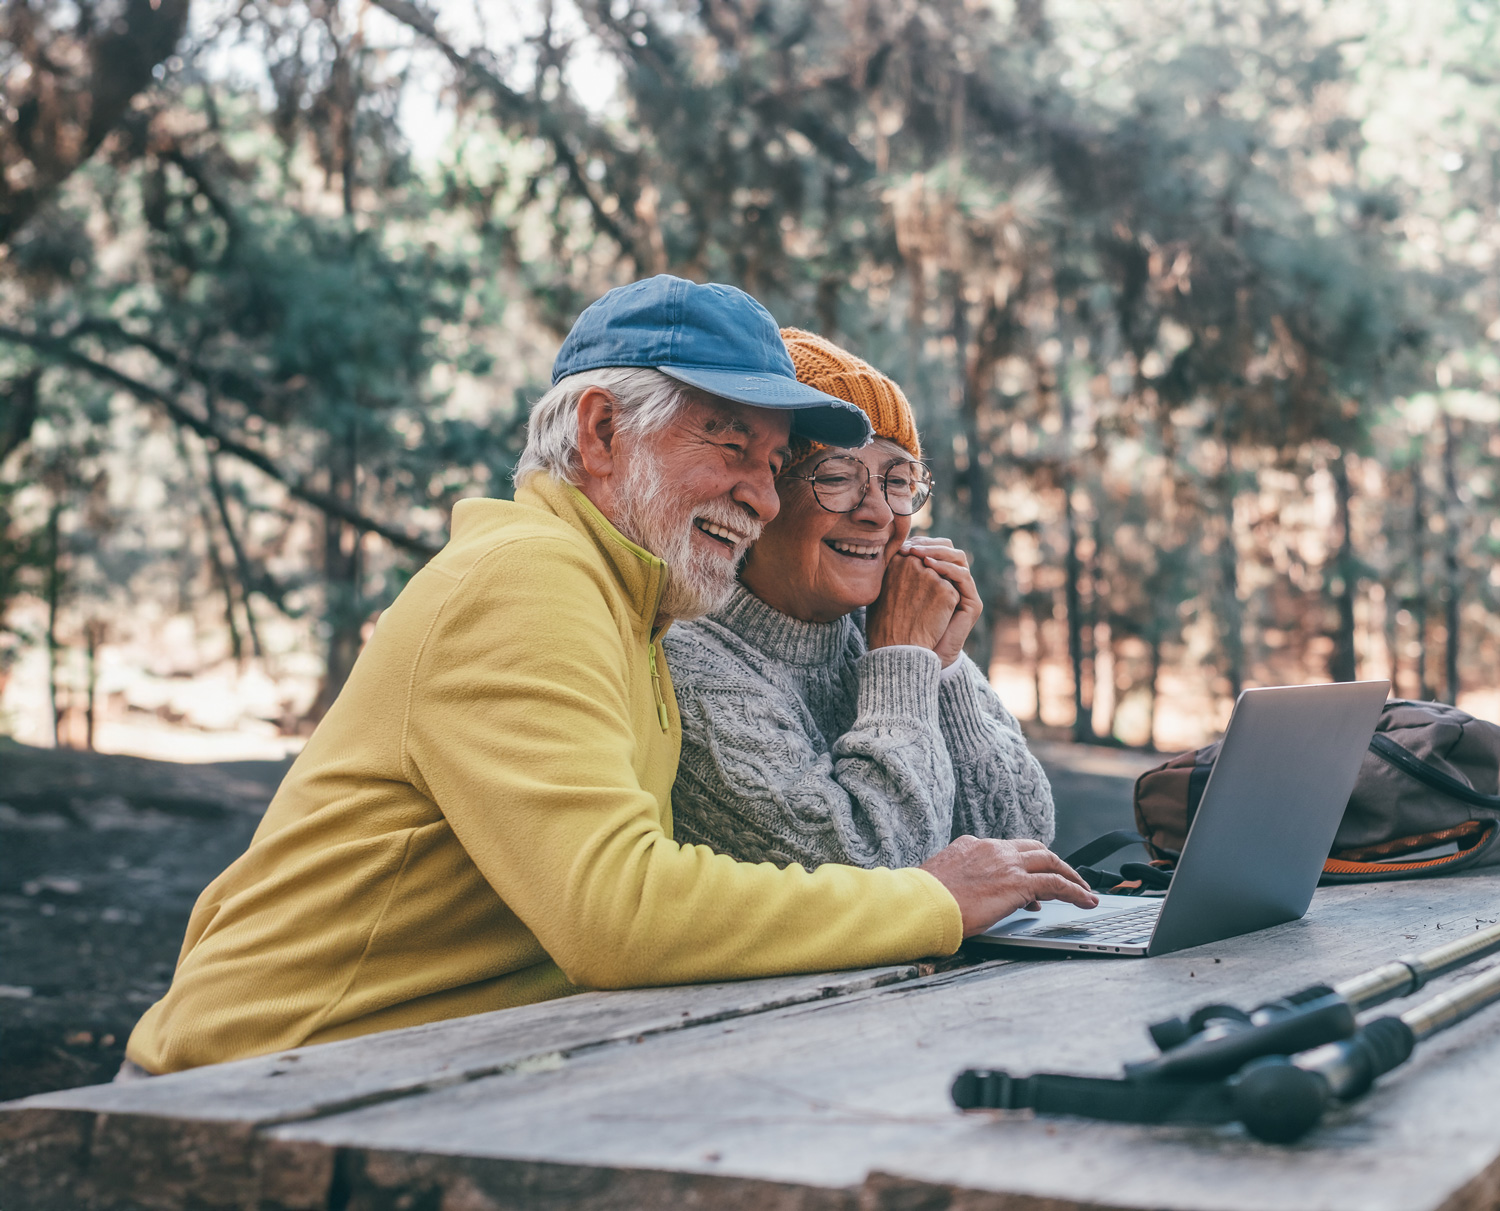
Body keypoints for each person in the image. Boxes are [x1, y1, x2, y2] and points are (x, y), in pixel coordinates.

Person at [125, 276, 1095, 1075]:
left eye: (772, 461)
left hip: (420, 1066)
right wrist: (928, 899)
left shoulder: (629, 600)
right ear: (599, 432)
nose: (758, 493)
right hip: (258, 1087)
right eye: (728, 443)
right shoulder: (527, 579)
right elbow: (614, 910)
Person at [666, 329, 1053, 870]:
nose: (878, 513)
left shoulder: (885, 630)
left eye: (899, 481)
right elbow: (877, 869)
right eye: (839, 477)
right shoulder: (690, 664)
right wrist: (902, 663)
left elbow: (1024, 841)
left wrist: (942, 665)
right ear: (762, 496)